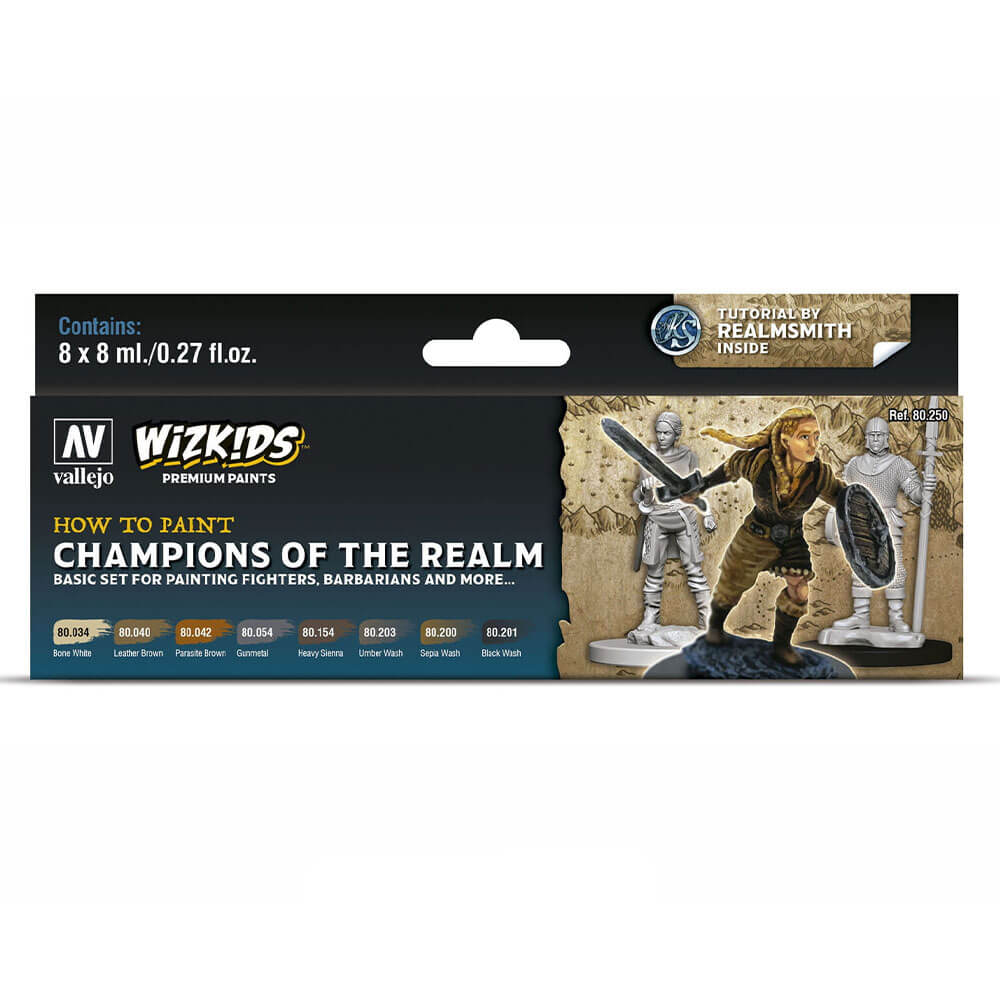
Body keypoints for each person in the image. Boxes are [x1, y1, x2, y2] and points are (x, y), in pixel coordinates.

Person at [684, 407, 846, 666]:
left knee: (799, 589)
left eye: (816, 436)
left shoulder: (819, 474)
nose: (813, 444)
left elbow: (844, 499)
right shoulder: (758, 462)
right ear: (785, 440)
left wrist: (862, 515)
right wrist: (700, 487)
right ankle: (714, 630)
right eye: (804, 437)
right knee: (730, 586)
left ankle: (781, 647)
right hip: (755, 536)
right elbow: (729, 468)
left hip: (791, 539)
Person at [632, 412, 716, 632]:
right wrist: (646, 491)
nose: (661, 437)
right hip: (657, 518)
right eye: (659, 432)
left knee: (694, 569)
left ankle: (707, 618)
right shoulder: (647, 458)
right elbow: (642, 497)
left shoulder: (689, 457)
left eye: (667, 433)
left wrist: (707, 513)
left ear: (676, 434)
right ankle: (650, 617)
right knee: (654, 571)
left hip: (683, 517)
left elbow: (697, 489)